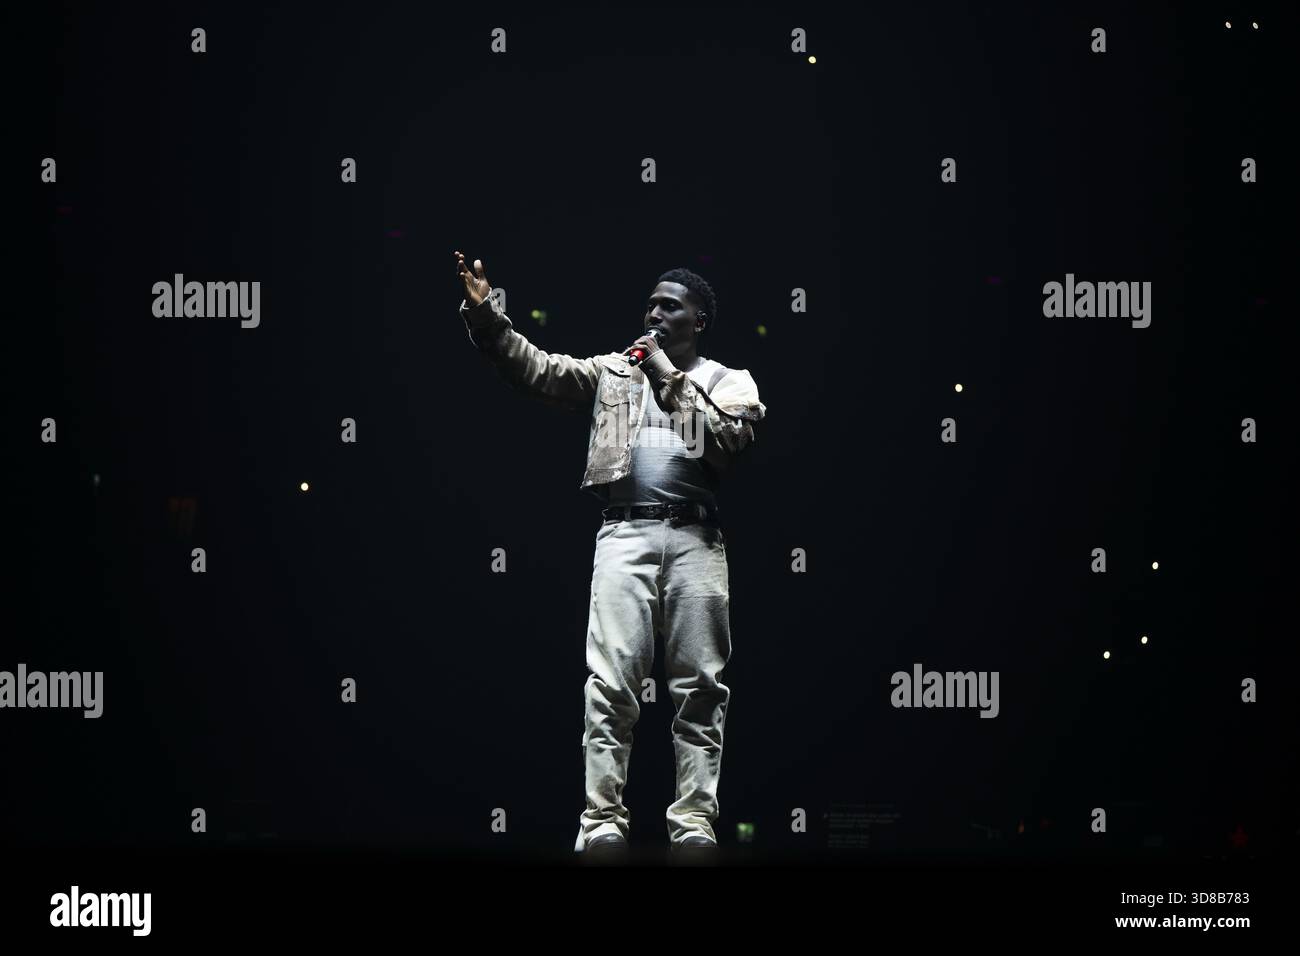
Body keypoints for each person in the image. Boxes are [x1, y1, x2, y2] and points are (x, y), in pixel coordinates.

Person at [454, 251, 766, 861]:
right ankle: (602, 822)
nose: (653, 312)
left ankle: (694, 824)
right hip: (624, 535)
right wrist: (486, 315)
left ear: (698, 319)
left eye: (669, 305)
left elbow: (724, 445)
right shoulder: (615, 372)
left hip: (697, 540)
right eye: (650, 303)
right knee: (612, 682)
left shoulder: (729, 380)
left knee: (701, 687)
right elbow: (538, 371)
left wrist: (666, 378)